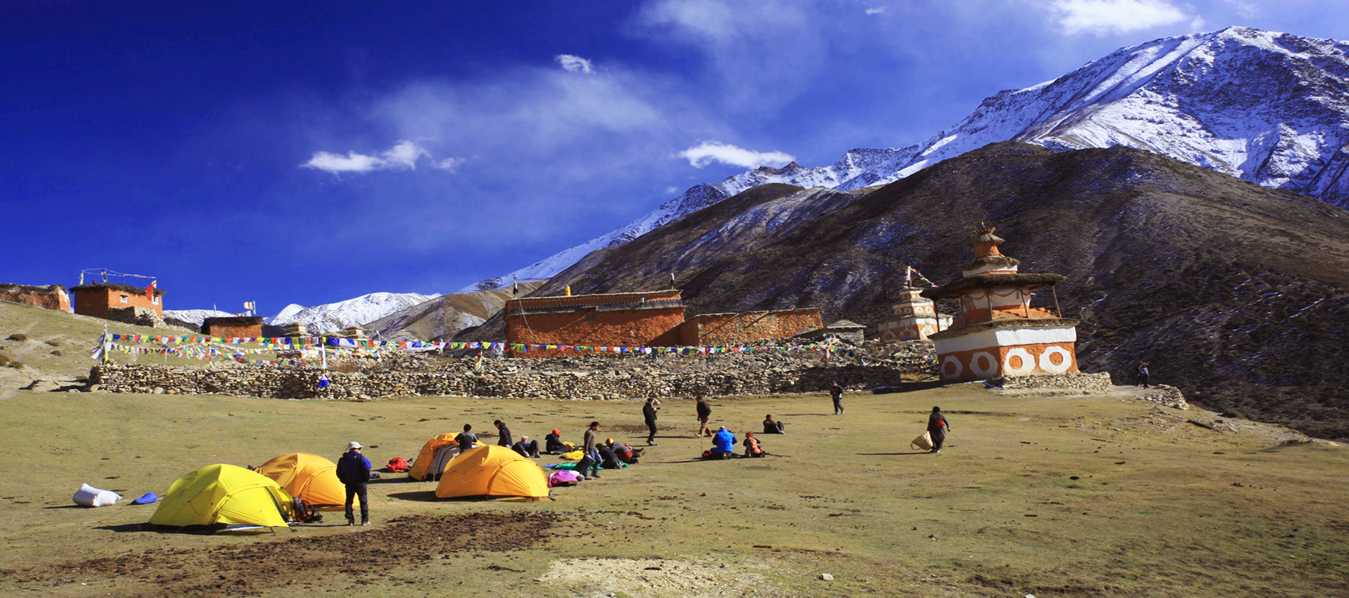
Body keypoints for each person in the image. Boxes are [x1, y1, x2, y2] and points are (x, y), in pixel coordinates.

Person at [335, 441, 372, 526]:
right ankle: (365, 520)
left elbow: (339, 472)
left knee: (349, 501)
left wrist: (343, 480)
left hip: (349, 482)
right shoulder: (361, 458)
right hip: (360, 483)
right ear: (358, 449)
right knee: (363, 501)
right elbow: (367, 468)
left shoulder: (343, 459)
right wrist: (365, 479)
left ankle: (350, 520)